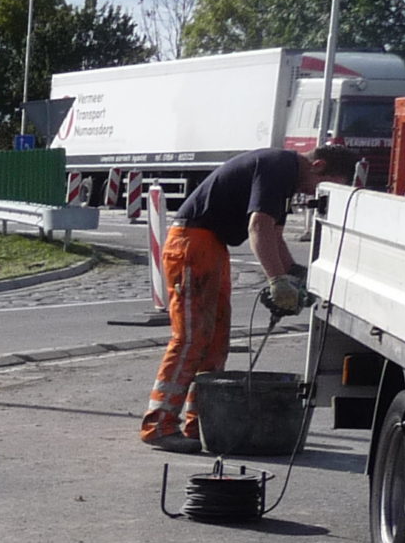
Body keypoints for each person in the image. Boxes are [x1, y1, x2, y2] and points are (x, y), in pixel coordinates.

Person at [141, 145, 334, 451]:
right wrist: (277, 281)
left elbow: (274, 235)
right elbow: (258, 227)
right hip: (192, 243)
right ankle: (159, 424)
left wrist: (294, 275)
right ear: (318, 165)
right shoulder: (280, 167)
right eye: (323, 185)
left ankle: (201, 423)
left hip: (210, 245)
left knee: (215, 340)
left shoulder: (285, 177)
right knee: (192, 338)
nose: (316, 193)